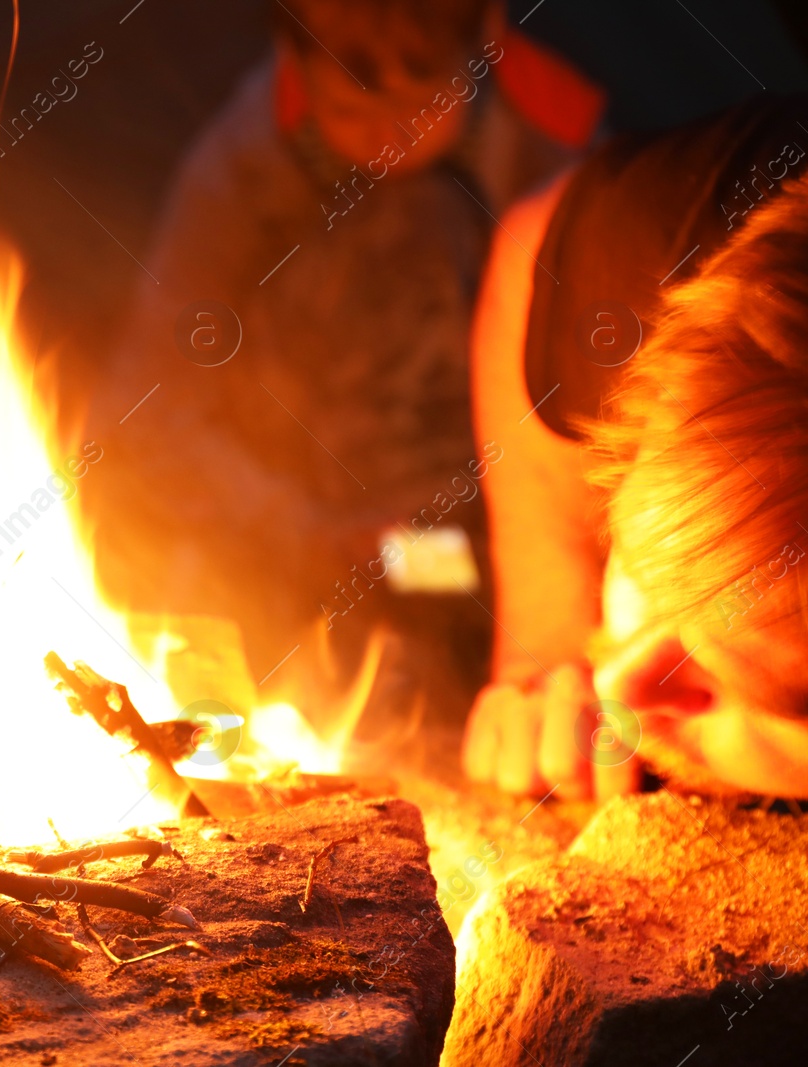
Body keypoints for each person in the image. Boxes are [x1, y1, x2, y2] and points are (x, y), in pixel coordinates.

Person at [88, 0, 602, 695]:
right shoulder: (244, 166)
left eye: (419, 110)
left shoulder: (549, 140)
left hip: (464, 527)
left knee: (456, 575)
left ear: (481, 49)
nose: (386, 139)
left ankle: (450, 641)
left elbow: (596, 388)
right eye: (350, 113)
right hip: (294, 514)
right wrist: (296, 527)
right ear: (294, 66)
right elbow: (150, 402)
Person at [462, 95, 808, 800]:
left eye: (733, 677)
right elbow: (535, 244)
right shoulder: (673, 230)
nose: (623, 680)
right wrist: (546, 634)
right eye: (650, 574)